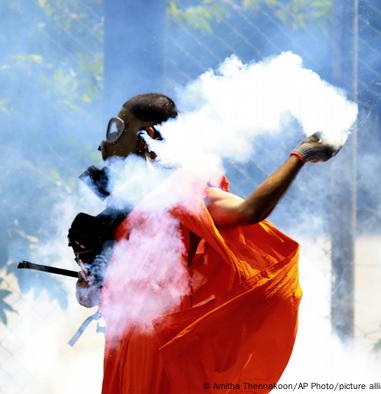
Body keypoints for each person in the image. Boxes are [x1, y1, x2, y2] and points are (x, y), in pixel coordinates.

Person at [71, 93, 340, 393]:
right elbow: (89, 297)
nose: (103, 144)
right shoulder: (119, 207)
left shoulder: (183, 192)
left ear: (146, 137)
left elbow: (249, 211)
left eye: (116, 130)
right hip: (125, 349)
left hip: (164, 354)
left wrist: (300, 155)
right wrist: (89, 269)